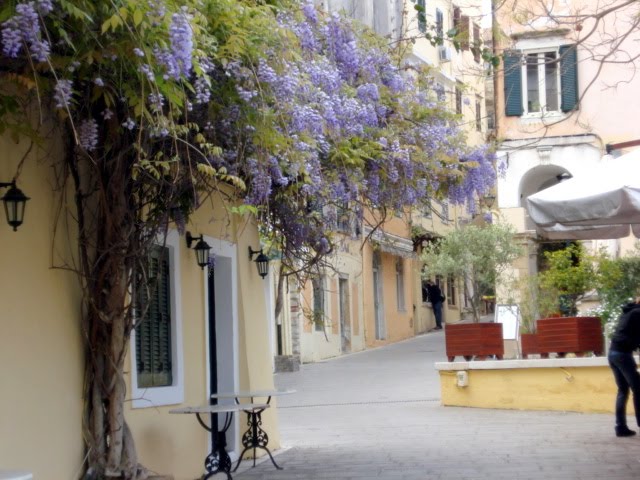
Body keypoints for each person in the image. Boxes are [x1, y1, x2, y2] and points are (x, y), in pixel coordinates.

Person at [608, 297, 640, 437]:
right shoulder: (637, 313)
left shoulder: (629, 311)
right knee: (638, 389)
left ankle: (620, 427)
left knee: (623, 390)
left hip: (613, 353)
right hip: (622, 355)